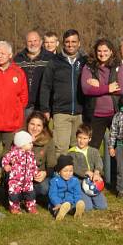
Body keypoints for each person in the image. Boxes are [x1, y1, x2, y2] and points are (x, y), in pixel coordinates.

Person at [81, 38, 123, 187]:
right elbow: (86, 89)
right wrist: (107, 88)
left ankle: (119, 182)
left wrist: (99, 87)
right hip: (95, 115)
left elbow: (121, 88)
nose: (102, 54)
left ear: (111, 52)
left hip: (115, 113)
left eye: (105, 51)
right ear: (95, 52)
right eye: (99, 51)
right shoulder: (88, 67)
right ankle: (92, 180)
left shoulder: (118, 66)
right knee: (93, 148)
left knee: (118, 147)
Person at [39, 29, 86, 157]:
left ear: (79, 43)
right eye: (67, 42)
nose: (70, 45)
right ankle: (59, 176)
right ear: (63, 43)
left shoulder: (85, 61)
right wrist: (45, 109)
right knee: (61, 149)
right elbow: (46, 86)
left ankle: (77, 176)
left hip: (80, 112)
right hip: (60, 112)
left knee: (78, 149)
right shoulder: (55, 61)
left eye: (74, 42)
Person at [15, 29, 55, 119]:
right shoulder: (18, 59)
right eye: (30, 41)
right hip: (24, 106)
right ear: (25, 43)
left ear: (41, 42)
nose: (33, 44)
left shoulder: (51, 58)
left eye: (35, 41)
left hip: (44, 106)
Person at [68, 124, 108, 210]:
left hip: (93, 182)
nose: (81, 141)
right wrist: (85, 172)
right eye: (79, 137)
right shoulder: (71, 153)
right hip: (79, 183)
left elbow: (99, 162)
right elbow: (73, 167)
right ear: (76, 137)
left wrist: (97, 172)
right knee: (88, 208)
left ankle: (89, 198)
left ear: (89, 139)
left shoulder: (94, 151)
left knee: (102, 207)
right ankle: (71, 204)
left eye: (85, 138)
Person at [2, 130, 38, 214]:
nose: (32, 144)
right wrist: (6, 165)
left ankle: (31, 206)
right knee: (14, 193)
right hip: (16, 179)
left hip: (28, 179)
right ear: (22, 144)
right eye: (30, 143)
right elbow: (5, 159)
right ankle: (14, 207)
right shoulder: (14, 153)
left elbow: (33, 164)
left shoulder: (30, 154)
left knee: (30, 193)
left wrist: (35, 172)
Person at [26, 112, 57, 200]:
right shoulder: (20, 137)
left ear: (43, 127)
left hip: (38, 176)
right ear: (27, 123)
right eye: (32, 124)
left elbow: (52, 164)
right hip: (20, 175)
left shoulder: (49, 141)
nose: (35, 128)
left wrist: (45, 173)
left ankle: (29, 196)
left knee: (45, 188)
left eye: (39, 125)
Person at [48, 155, 87, 220]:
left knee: (73, 206)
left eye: (70, 171)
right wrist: (57, 203)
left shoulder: (75, 180)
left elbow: (77, 193)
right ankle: (59, 213)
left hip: (70, 202)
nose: (68, 173)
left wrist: (77, 201)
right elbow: (52, 194)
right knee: (55, 208)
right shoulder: (55, 181)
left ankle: (77, 211)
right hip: (57, 203)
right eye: (65, 171)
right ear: (59, 171)